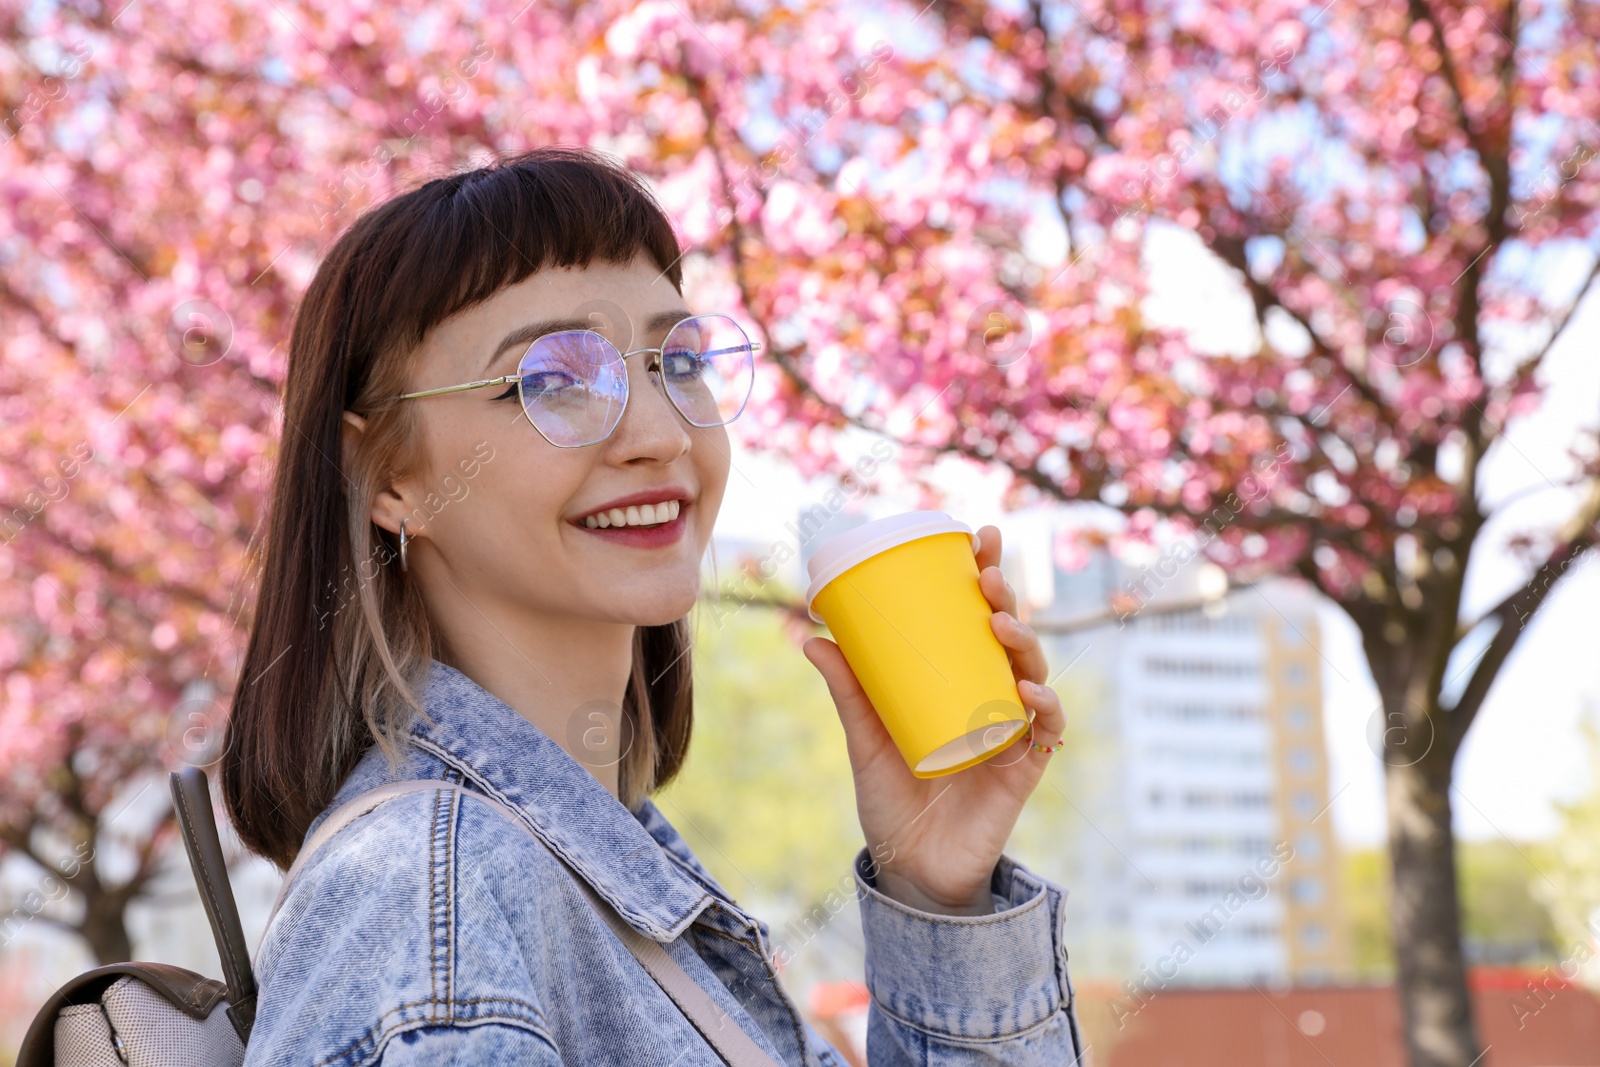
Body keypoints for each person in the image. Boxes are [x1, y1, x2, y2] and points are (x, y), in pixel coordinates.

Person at [223, 144, 1084, 1066]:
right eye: (551, 380)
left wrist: (937, 894)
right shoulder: (429, 896)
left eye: (678, 361)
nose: (661, 433)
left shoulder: (593, 875)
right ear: (385, 472)